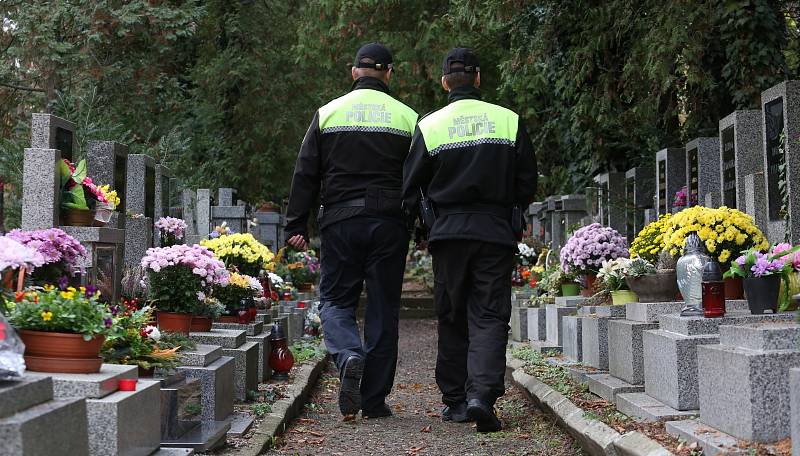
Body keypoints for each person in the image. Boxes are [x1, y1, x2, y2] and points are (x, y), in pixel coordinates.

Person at [402, 47, 537, 432]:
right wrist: (512, 209)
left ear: (445, 82)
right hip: (494, 232)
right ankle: (483, 394)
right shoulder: (507, 120)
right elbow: (526, 179)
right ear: (478, 79)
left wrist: (419, 230)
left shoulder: (430, 126)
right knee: (490, 314)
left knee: (451, 313)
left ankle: (456, 401)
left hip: (447, 234)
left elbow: (411, 185)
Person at [285, 43, 418, 419]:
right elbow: (420, 175)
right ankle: (374, 400)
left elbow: (306, 171)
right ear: (389, 73)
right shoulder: (408, 117)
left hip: (341, 220)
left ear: (354, 72)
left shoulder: (328, 113)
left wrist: (296, 223)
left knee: (336, 301)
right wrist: (422, 224)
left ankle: (347, 354)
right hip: (390, 223)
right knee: (382, 309)